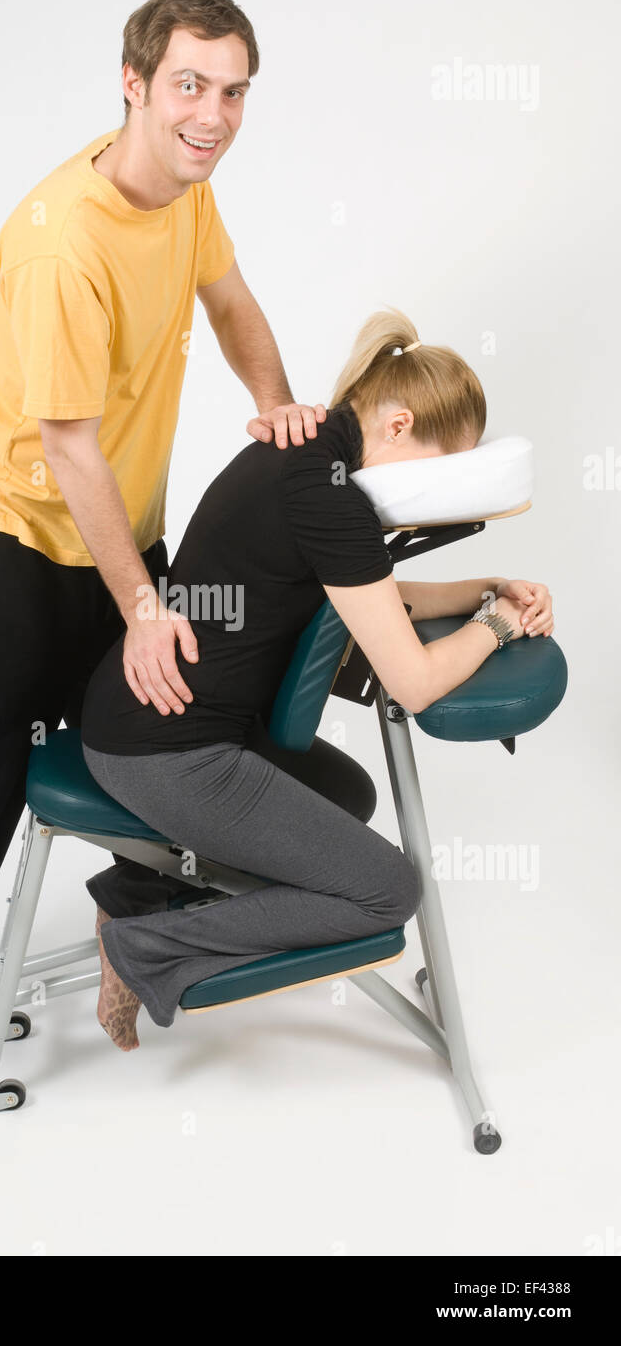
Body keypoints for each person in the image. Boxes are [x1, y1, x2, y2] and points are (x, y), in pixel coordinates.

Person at [0, 0, 330, 1129]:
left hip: (111, 543)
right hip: (4, 542)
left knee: (152, 748)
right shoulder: (65, 243)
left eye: (233, 90)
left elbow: (232, 299)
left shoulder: (185, 193)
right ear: (133, 85)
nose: (213, 114)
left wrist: (275, 405)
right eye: (189, 87)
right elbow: (66, 452)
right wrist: (143, 606)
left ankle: (130, 929)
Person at [80, 308, 555, 1049]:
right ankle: (142, 948)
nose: (437, 490)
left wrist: (485, 587)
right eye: (439, 465)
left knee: (345, 795)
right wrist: (493, 628)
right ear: (397, 427)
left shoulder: (312, 454)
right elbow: (414, 682)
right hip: (167, 754)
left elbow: (373, 597)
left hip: (160, 723)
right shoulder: (328, 494)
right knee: (387, 889)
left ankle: (146, 892)